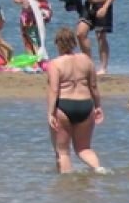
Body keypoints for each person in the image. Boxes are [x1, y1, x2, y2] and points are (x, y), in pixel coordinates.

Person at [45, 27, 106, 174]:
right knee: (84, 148)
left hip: (64, 106)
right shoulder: (86, 60)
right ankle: (99, 169)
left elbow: (54, 90)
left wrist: (50, 113)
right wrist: (98, 106)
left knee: (63, 151)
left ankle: (67, 183)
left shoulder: (55, 64)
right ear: (74, 43)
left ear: (57, 44)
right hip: (85, 105)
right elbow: (93, 86)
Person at [73, 0, 118, 75]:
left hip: (103, 5)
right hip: (89, 5)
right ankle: (89, 63)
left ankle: (103, 67)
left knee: (101, 36)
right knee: (80, 33)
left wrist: (105, 8)